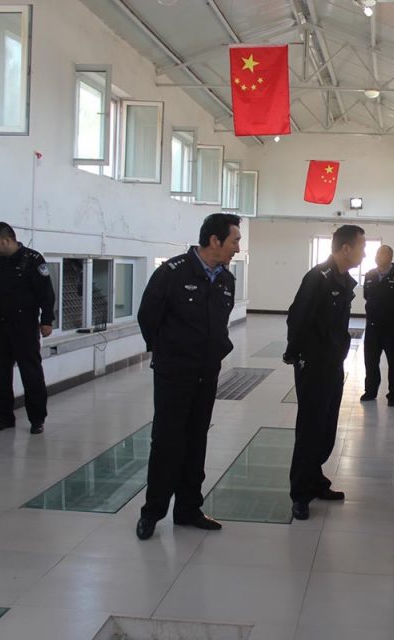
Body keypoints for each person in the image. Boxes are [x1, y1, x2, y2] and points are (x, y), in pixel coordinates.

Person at [134, 213, 241, 541]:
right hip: (174, 374)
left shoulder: (225, 279)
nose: (237, 247)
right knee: (166, 442)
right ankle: (152, 512)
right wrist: (166, 353)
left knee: (197, 440)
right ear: (215, 240)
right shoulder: (172, 272)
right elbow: (147, 316)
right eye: (235, 240)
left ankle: (188, 509)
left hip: (206, 374)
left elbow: (219, 323)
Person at [283, 225, 366, 520]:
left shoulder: (342, 280)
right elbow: (297, 317)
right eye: (361, 246)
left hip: (332, 363)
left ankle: (315, 480)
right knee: (309, 428)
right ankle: (300, 494)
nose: (364, 252)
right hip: (314, 363)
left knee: (326, 427)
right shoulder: (317, 277)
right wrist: (297, 355)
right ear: (346, 248)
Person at [0, 222, 55, 435]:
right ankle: (4, 417)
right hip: (1, 327)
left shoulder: (33, 260)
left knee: (31, 374)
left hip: (24, 327)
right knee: (0, 375)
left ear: (7, 240)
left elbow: (46, 293)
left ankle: (37, 419)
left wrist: (47, 320)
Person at [360, 245, 394, 407]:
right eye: (377, 253)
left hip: (392, 328)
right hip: (373, 326)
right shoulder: (370, 275)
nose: (378, 256)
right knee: (370, 361)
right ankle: (370, 391)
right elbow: (367, 296)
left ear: (390, 256)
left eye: (382, 254)